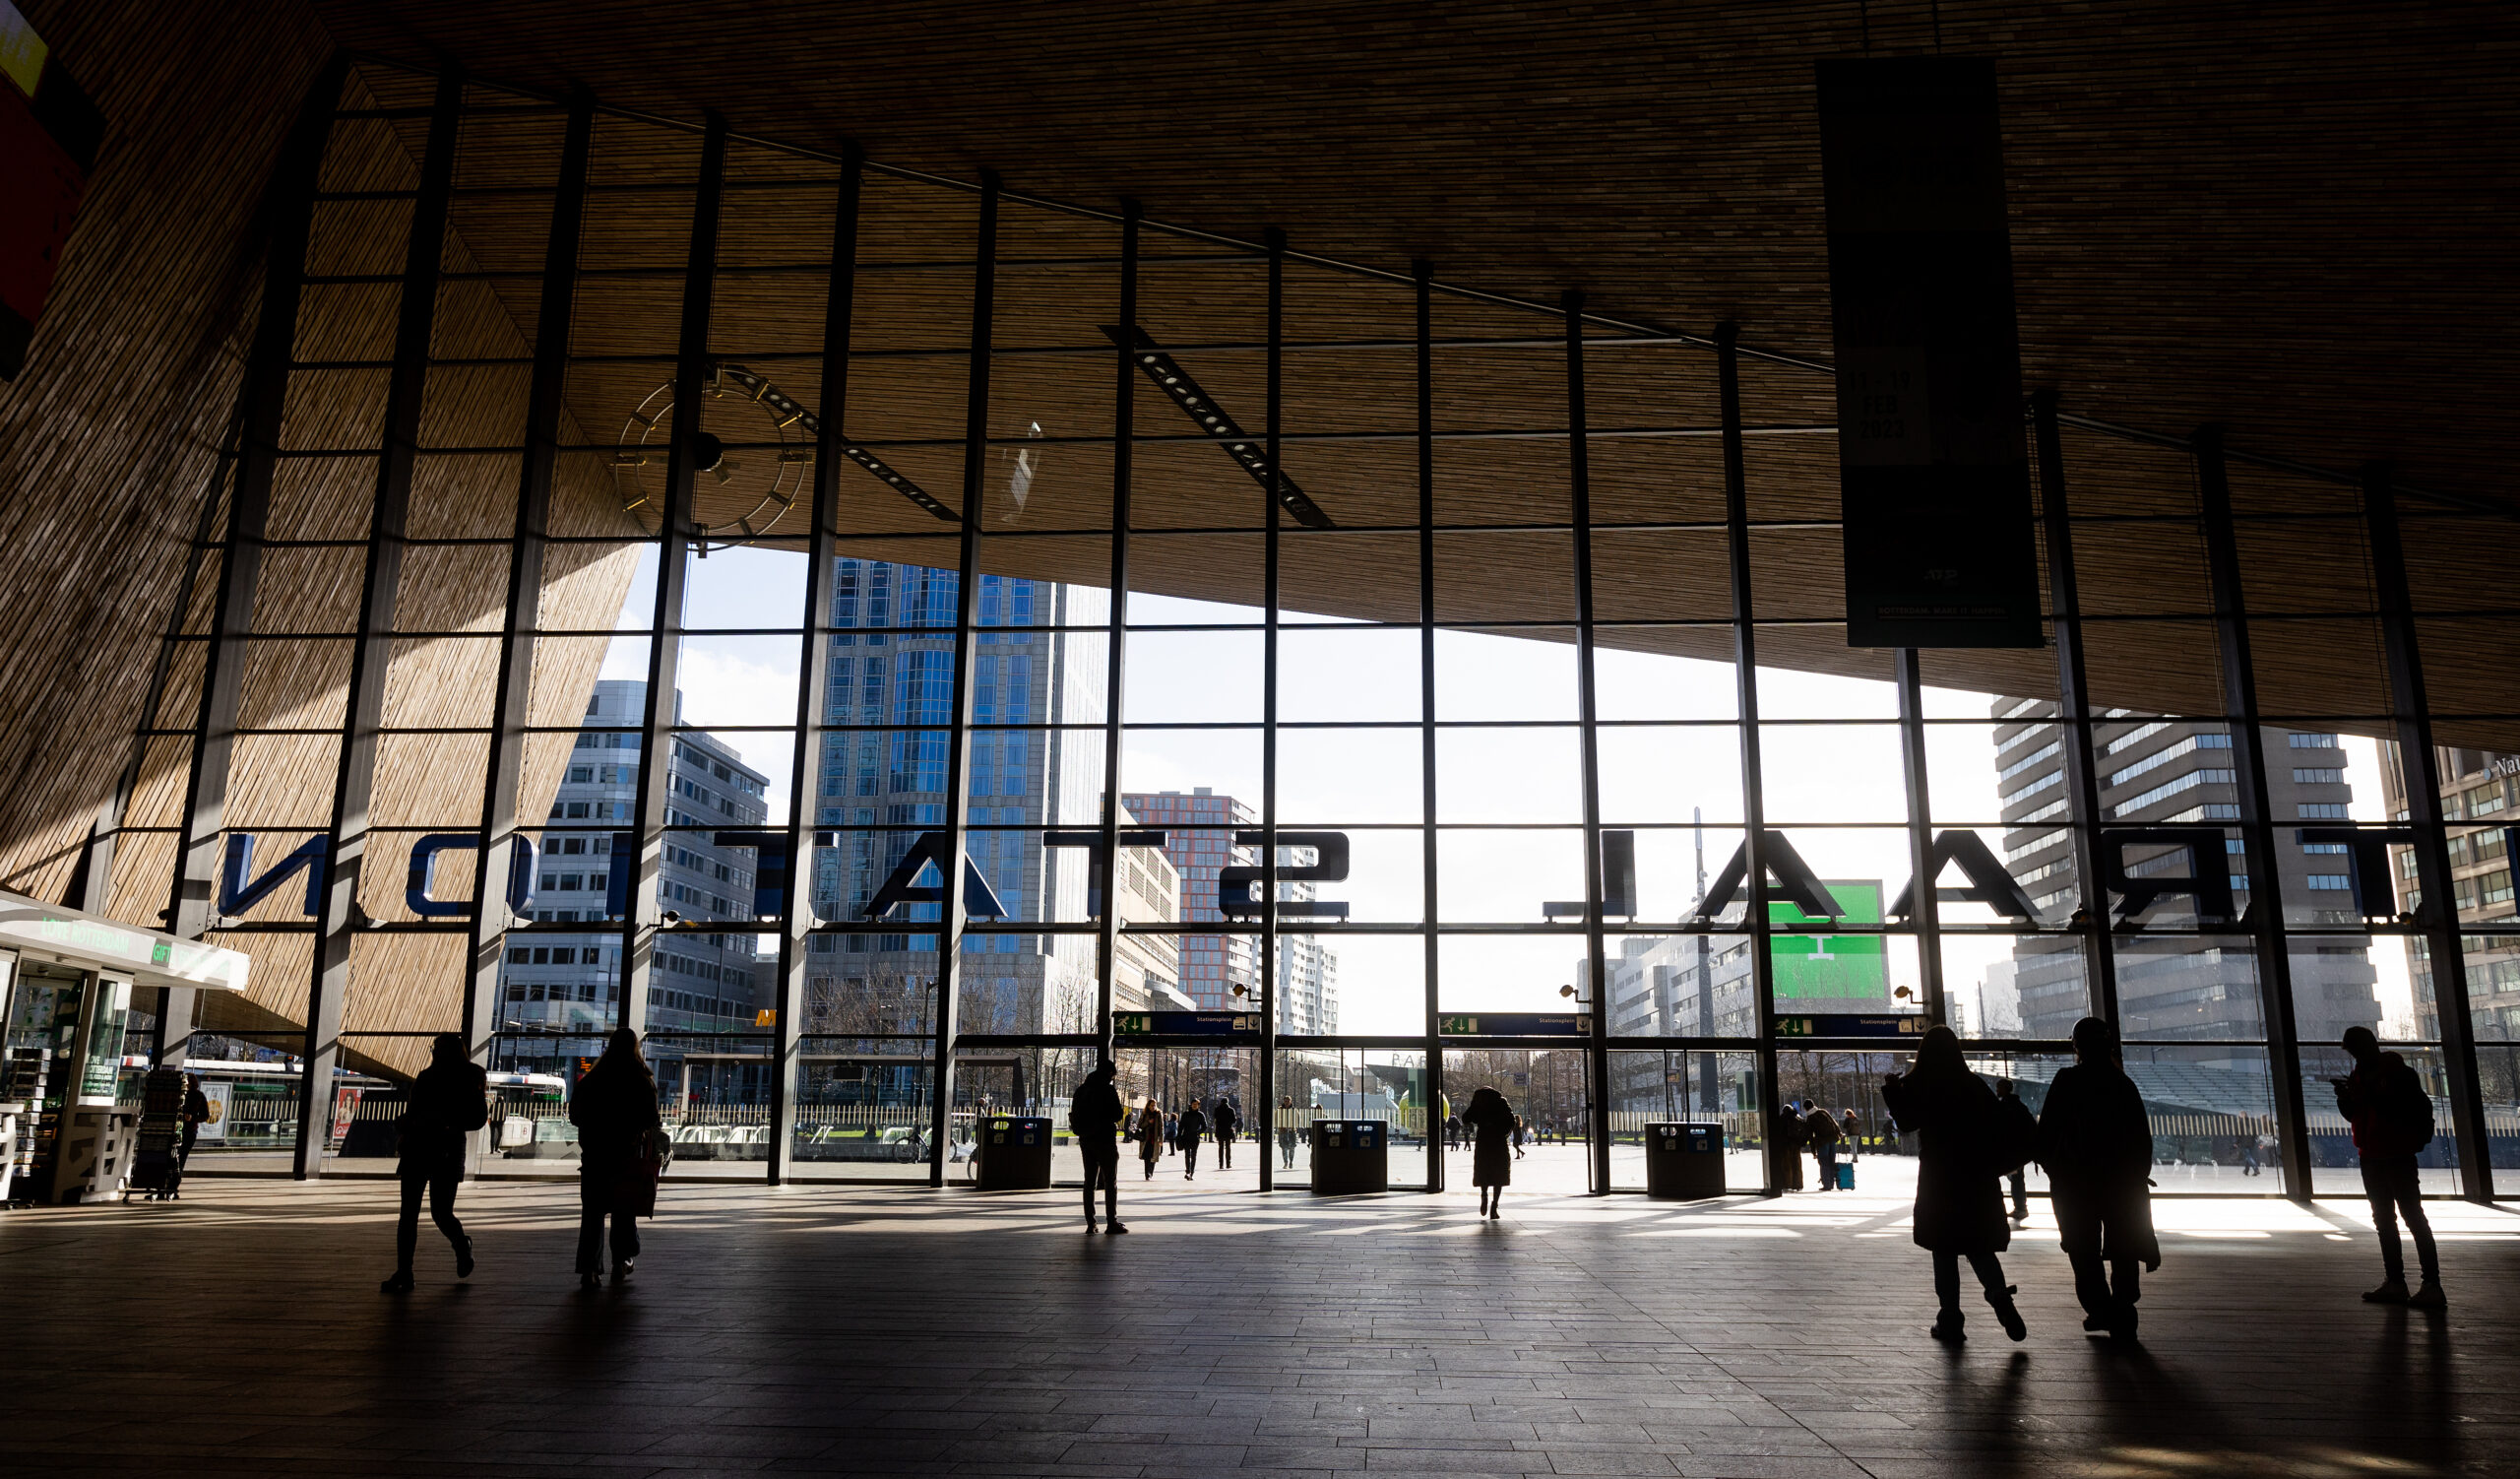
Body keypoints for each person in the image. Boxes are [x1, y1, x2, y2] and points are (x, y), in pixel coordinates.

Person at [1880, 1026, 2027, 1344]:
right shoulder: (1972, 1083)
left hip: (1940, 1177)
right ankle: (2000, 1297)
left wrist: (1893, 1089)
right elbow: (1995, 1123)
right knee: (1979, 1248)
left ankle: (1951, 1319)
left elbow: (1906, 1123)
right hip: (1976, 1175)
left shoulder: (1924, 1085)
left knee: (1943, 1251)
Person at [2037, 1017, 2161, 1340]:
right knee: (2123, 1244)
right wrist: (2136, 1176)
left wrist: (2053, 1168)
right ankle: (2123, 1307)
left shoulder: (2067, 1081)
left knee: (2082, 1249)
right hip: (2120, 1183)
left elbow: (2048, 1131)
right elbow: (2140, 1138)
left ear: (2076, 1046)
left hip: (2075, 1183)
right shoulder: (2122, 1084)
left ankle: (2099, 1308)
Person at [2335, 1024, 2444, 1309]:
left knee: (2402, 1218)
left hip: (2391, 1153)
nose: (2355, 1057)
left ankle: (2415, 1283)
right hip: (2377, 1154)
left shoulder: (2395, 1075)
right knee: (2395, 1219)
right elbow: (2356, 1113)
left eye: (2355, 1050)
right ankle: (2416, 1283)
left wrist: (2363, 1098)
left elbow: (2394, 1109)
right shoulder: (2365, 1075)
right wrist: (2345, 1100)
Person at [380, 1032, 489, 1294]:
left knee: (410, 1215)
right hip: (446, 1150)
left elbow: (416, 1111)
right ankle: (459, 1246)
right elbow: (478, 1117)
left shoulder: (426, 1078)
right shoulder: (472, 1075)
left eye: (436, 1047)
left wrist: (411, 1126)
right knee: (440, 1212)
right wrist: (447, 1124)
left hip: (420, 1148)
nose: (434, 1051)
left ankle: (406, 1272)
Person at [570, 1028, 663, 1290]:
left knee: (592, 1214)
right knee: (624, 1210)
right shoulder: (641, 1080)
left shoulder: (592, 1079)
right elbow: (651, 1118)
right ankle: (621, 1261)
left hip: (595, 1156)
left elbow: (576, 1115)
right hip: (626, 1155)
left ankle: (589, 1269)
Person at [1071, 1060, 1127, 1234]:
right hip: (1105, 1140)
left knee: (1089, 1182)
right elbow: (1118, 1114)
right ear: (1110, 1074)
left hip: (1086, 1140)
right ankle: (1111, 1222)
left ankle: (1091, 1223)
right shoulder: (1108, 1090)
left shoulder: (1081, 1091)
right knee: (1110, 1181)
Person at [1462, 1085, 1516, 1219]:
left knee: (1484, 1169)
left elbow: (1465, 1118)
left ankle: (1484, 1194)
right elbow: (1511, 1121)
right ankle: (1494, 1206)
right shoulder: (1501, 1102)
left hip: (1483, 1141)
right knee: (1499, 1173)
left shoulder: (1478, 1102)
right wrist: (1503, 1132)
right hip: (1498, 1142)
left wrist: (1475, 1108)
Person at [1996, 1079, 2030, 1224]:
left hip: (2011, 1149)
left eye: (1998, 1087)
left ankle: (2020, 1208)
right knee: (2017, 1179)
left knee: (2016, 1179)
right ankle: (2020, 1207)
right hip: (2018, 1149)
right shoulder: (2018, 1106)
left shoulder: (2004, 1107)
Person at [1806, 1102, 1843, 1192]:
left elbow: (1810, 1136)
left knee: (1824, 1162)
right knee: (1831, 1161)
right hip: (1832, 1139)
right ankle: (1831, 1183)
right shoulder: (1823, 1111)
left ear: (1805, 1108)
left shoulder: (1810, 1118)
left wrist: (1813, 1151)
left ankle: (1826, 1185)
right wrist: (1839, 1133)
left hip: (1822, 1142)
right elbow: (1834, 1123)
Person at [1774, 1098, 1808, 1190]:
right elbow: (1805, 1131)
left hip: (1785, 1146)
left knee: (1786, 1165)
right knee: (1797, 1164)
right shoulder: (1798, 1119)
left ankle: (1787, 1184)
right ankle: (1798, 1185)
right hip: (1796, 1145)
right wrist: (1802, 1142)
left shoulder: (1780, 1119)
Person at [1175, 1098, 1208, 1180]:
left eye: (1196, 1104)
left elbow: (1205, 1126)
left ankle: (1191, 1173)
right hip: (1186, 1137)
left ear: (1198, 1105)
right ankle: (1188, 1172)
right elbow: (1181, 1125)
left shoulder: (1200, 1115)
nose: (1194, 1105)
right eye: (1193, 1104)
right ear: (1191, 1104)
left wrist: (1198, 1132)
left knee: (1193, 1155)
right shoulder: (1186, 1114)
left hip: (1195, 1138)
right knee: (1187, 1155)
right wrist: (1179, 1135)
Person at [1136, 1098, 1166, 1181]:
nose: (1153, 1107)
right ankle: (1147, 1174)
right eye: (1152, 1105)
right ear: (1148, 1106)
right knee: (1147, 1157)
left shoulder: (1159, 1114)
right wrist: (1148, 1122)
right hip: (1146, 1139)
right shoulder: (1144, 1113)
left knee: (1154, 1156)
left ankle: (1150, 1172)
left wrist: (1161, 1139)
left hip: (1155, 1139)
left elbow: (1161, 1127)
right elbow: (1139, 1125)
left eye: (1155, 1105)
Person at [1212, 1095, 1239, 1170]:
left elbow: (1215, 1117)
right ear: (1227, 1102)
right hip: (1228, 1130)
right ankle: (1228, 1163)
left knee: (1220, 1147)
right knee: (1228, 1147)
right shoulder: (1231, 1110)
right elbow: (1234, 1120)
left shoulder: (1217, 1109)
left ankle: (1221, 1164)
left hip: (1220, 1130)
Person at [1278, 1095, 1298, 1169]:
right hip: (1283, 1131)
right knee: (1284, 1147)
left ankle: (1291, 1161)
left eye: (1288, 1101)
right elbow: (1276, 1118)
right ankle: (1285, 1162)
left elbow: (1298, 1119)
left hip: (1292, 1130)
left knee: (1292, 1147)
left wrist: (1293, 1125)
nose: (1286, 1102)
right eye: (1285, 1101)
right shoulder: (1280, 1109)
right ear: (1283, 1101)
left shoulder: (1294, 1110)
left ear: (1290, 1101)